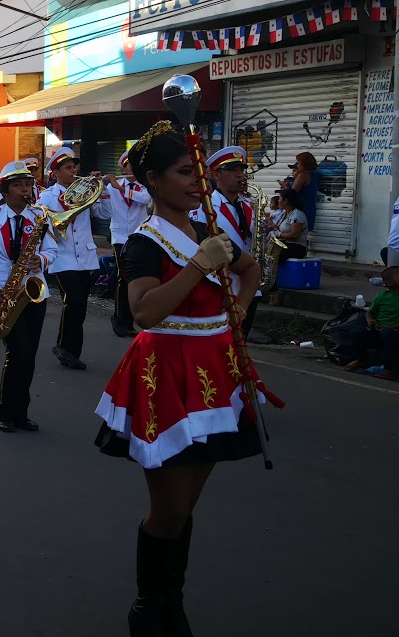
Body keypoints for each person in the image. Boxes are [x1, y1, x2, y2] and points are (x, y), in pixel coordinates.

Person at [91, 124, 283, 635]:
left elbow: (251, 271)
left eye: (198, 172)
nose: (197, 182)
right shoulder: (144, 242)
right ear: (153, 180)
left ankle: (170, 601)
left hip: (216, 372)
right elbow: (145, 313)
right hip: (166, 373)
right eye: (184, 173)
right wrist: (199, 266)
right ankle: (149, 608)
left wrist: (234, 318)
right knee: (170, 508)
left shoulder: (207, 230)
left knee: (189, 502)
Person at [0, 160, 58, 433]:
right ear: (5, 190)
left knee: (29, 355)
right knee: (18, 353)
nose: (25, 189)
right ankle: (5, 411)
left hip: (33, 292)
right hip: (3, 293)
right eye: (18, 185)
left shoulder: (40, 216)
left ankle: (21, 412)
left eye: (28, 184)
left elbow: (54, 249)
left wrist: (40, 260)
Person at [38, 147, 112, 370]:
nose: (74, 171)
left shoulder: (87, 191)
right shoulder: (47, 196)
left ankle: (72, 350)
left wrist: (104, 191)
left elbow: (105, 214)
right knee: (74, 300)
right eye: (68, 168)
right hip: (62, 256)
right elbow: (44, 224)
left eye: (74, 167)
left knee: (80, 305)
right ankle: (64, 346)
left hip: (85, 256)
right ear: (56, 173)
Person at [190, 146, 258, 335]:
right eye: (233, 170)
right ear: (216, 175)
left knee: (240, 341)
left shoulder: (250, 206)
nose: (240, 175)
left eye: (242, 170)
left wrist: (268, 232)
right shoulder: (204, 207)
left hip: (247, 286)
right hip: (219, 286)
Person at [106, 152, 152, 337]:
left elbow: (146, 200)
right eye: (128, 166)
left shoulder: (143, 186)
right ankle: (119, 318)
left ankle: (130, 320)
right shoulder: (113, 186)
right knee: (122, 277)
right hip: (118, 236)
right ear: (124, 168)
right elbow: (102, 201)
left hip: (138, 236)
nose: (131, 169)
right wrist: (98, 183)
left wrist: (120, 188)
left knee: (135, 279)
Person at [347, 266, 399, 380]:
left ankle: (391, 369)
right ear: (390, 283)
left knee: (388, 334)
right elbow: (370, 313)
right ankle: (362, 360)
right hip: (380, 329)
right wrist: (370, 321)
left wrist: (390, 327)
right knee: (357, 332)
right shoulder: (382, 296)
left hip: (394, 332)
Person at [279, 151, 318, 230]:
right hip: (310, 207)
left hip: (301, 209)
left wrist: (285, 186)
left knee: (295, 233)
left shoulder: (303, 175)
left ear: (305, 164)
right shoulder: (314, 174)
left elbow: (291, 194)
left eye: (299, 163)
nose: (298, 165)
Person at [268, 188, 308, 263]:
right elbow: (278, 229)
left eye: (280, 198)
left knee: (271, 255)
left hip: (295, 248)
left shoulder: (297, 215)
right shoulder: (284, 214)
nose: (278, 201)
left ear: (285, 201)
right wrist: (271, 225)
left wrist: (278, 234)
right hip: (284, 244)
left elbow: (295, 235)